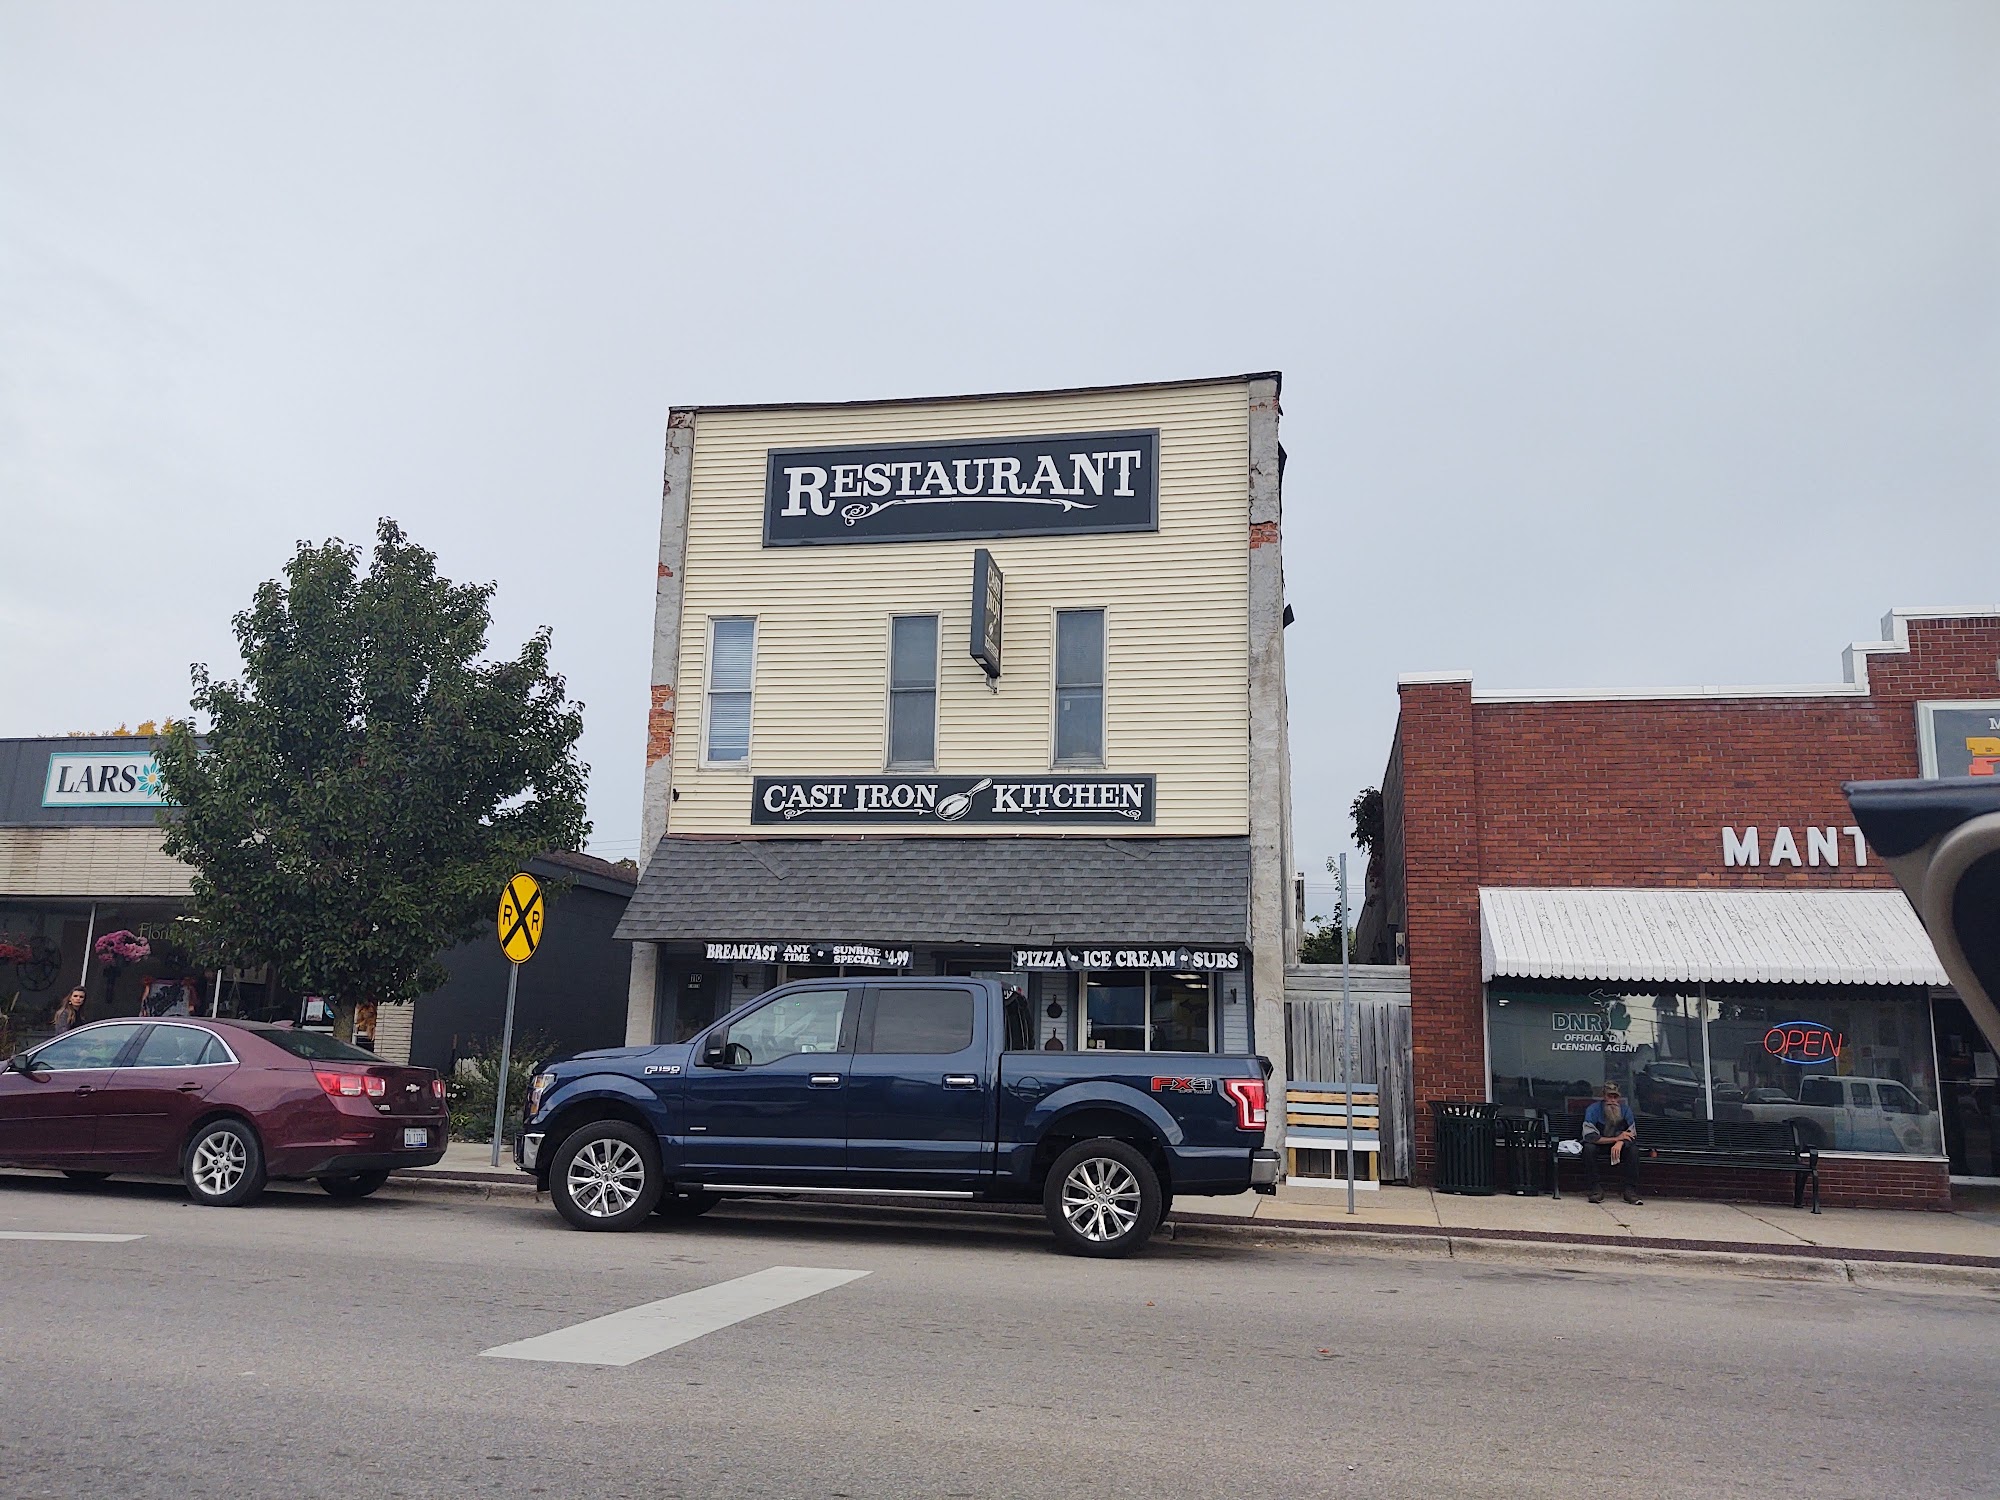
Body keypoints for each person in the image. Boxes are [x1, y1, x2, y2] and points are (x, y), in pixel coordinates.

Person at [1582, 1083, 1643, 1205]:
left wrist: (1620, 1142)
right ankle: (1595, 1189)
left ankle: (1630, 1191)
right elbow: (1589, 1137)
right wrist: (1616, 1139)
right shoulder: (1593, 1110)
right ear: (1604, 1096)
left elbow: (1632, 1135)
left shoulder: (1626, 1110)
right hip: (1600, 1144)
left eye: (1615, 1097)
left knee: (1633, 1151)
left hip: (1618, 1146)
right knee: (1588, 1149)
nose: (1613, 1101)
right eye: (1610, 1096)